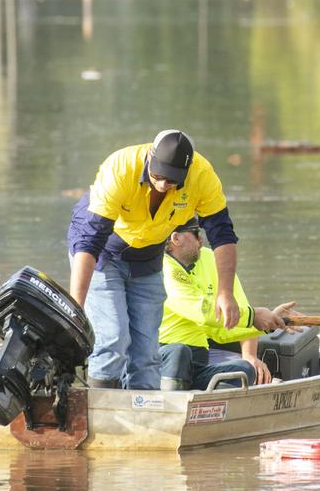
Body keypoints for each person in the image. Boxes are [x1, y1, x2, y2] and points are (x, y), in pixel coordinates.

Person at [67, 130, 241, 390]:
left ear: (187, 171)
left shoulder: (202, 176)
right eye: (158, 177)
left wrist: (225, 293)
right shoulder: (121, 168)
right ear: (150, 158)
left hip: (147, 257)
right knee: (113, 338)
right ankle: (100, 411)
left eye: (172, 181)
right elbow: (90, 240)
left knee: (148, 350)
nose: (162, 185)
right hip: (103, 252)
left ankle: (143, 416)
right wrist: (75, 310)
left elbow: (222, 234)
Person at [157, 218, 296, 391]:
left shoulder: (207, 259)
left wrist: (271, 322)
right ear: (175, 238)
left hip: (197, 362)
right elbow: (203, 313)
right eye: (195, 233)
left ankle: (195, 399)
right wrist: (253, 316)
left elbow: (220, 330)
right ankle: (171, 405)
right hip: (165, 357)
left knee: (245, 370)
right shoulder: (162, 268)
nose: (201, 239)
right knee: (179, 352)